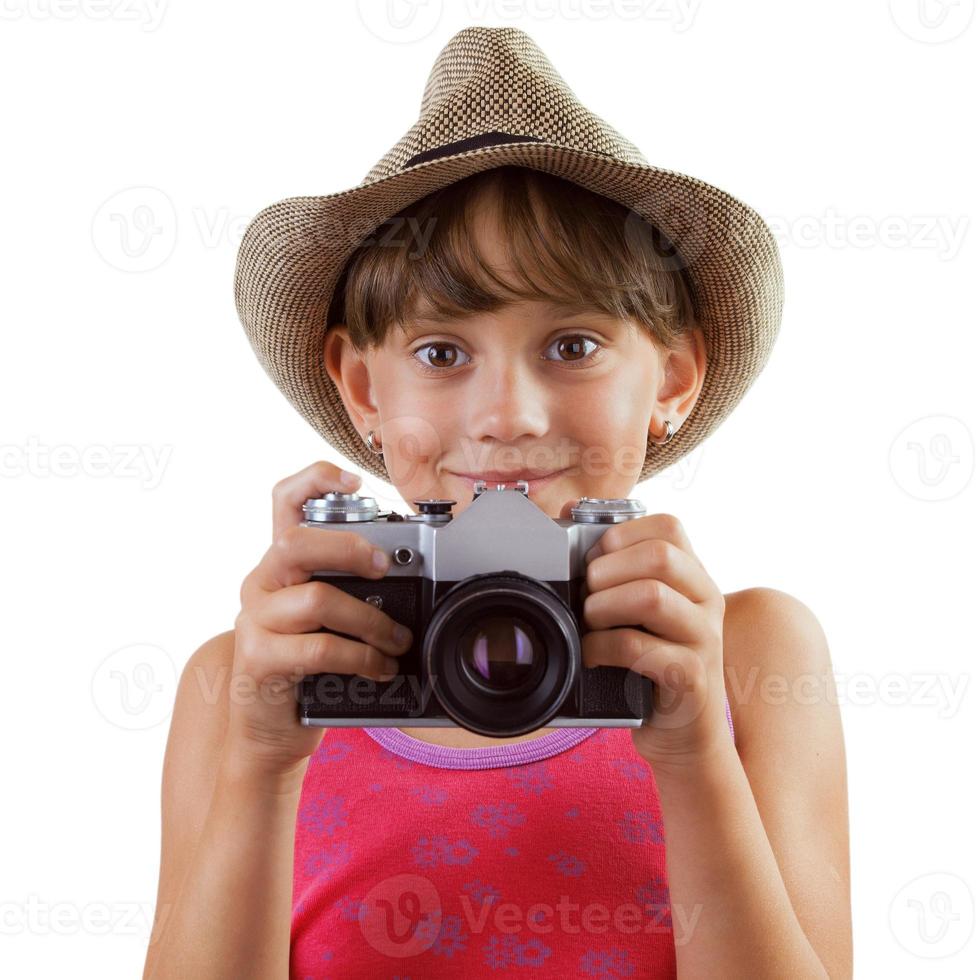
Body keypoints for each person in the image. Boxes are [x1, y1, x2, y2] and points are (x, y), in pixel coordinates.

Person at [142, 27, 851, 979]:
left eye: (572, 346)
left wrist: (694, 760)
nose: (507, 416)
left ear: (673, 379)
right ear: (362, 390)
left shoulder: (750, 654)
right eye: (441, 354)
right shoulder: (248, 681)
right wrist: (263, 768)